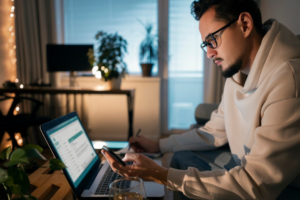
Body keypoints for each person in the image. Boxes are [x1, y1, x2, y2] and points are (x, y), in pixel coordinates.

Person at [101, 0, 300, 199]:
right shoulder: (237, 70)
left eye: (213, 39)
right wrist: (158, 145)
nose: (209, 54)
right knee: (179, 159)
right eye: (206, 44)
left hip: (278, 189)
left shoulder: (288, 80)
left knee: (172, 174)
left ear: (245, 24)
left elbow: (255, 183)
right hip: (242, 165)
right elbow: (214, 131)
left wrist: (158, 174)